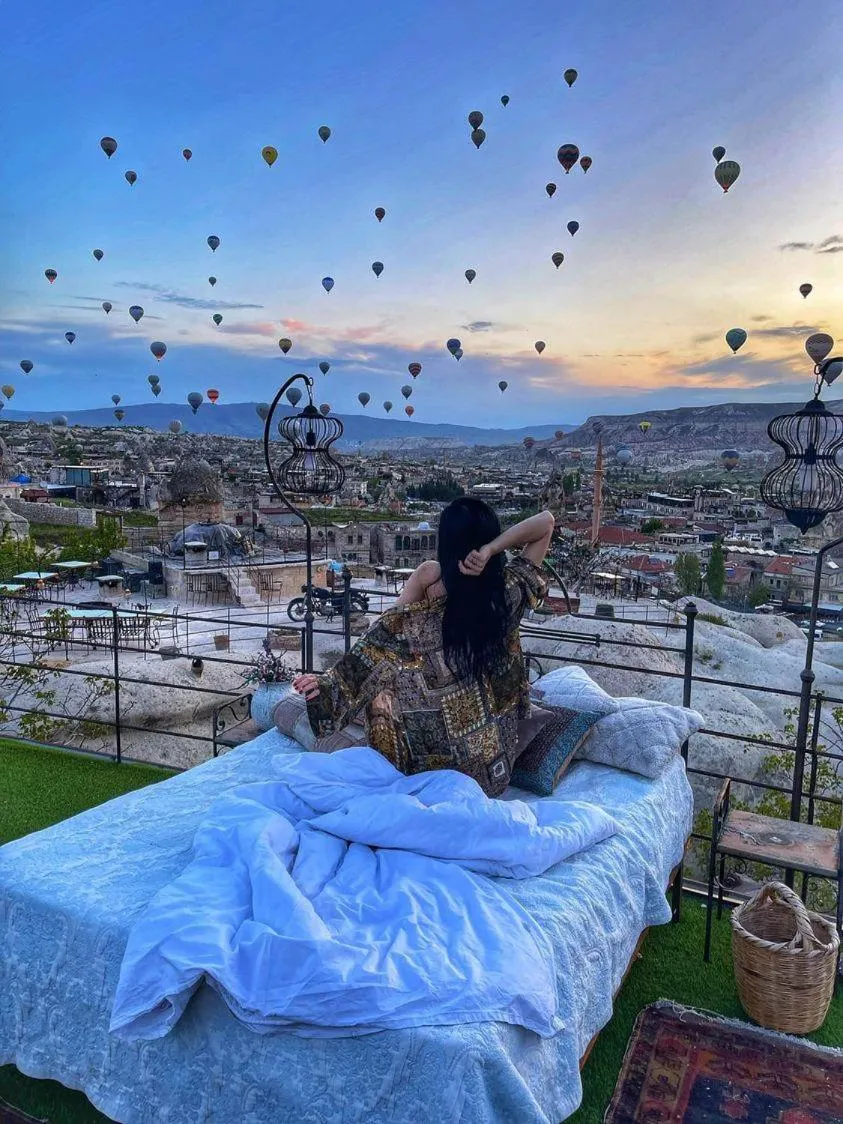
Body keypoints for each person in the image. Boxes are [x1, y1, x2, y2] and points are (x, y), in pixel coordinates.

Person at [289, 499, 555, 797]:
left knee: (390, 678)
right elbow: (546, 522)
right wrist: (491, 549)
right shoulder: (508, 592)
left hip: (428, 768)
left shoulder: (427, 586)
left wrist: (327, 686)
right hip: (493, 772)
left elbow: (381, 639)